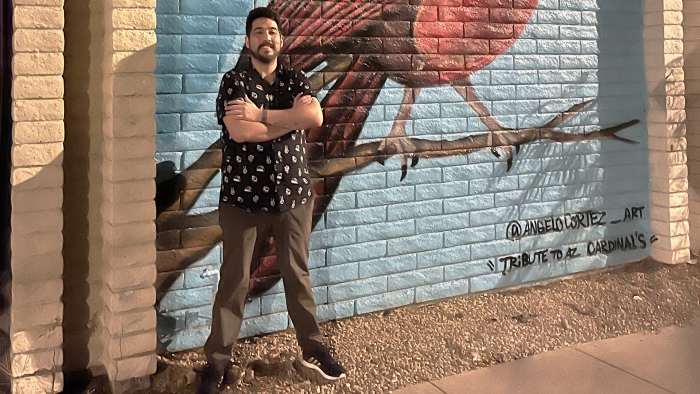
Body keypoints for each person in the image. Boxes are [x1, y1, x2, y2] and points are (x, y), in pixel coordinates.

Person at [198, 7, 346, 394]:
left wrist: (263, 114)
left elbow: (313, 118)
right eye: (259, 31)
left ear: (281, 41)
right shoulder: (234, 82)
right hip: (242, 200)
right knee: (234, 280)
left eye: (273, 32)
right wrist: (286, 119)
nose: (267, 37)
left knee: (297, 274)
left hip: (294, 196)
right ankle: (217, 363)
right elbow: (241, 132)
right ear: (248, 42)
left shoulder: (295, 78)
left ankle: (313, 349)